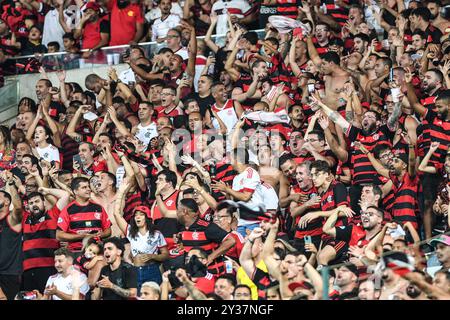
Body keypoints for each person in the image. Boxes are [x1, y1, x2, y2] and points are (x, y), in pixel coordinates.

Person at [21, 188, 70, 292]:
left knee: (49, 297)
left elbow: (65, 195)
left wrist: (47, 190)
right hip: (28, 269)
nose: (34, 205)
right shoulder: (24, 218)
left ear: (44, 202)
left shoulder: (53, 214)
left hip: (49, 267)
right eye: (31, 203)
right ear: (28, 206)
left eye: (37, 201)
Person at [56, 177, 112, 252]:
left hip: (97, 251)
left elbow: (108, 231)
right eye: (84, 187)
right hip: (76, 252)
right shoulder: (68, 210)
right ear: (75, 191)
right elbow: (59, 235)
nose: (88, 189)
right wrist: (82, 236)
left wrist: (97, 235)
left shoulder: (99, 208)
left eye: (88, 186)